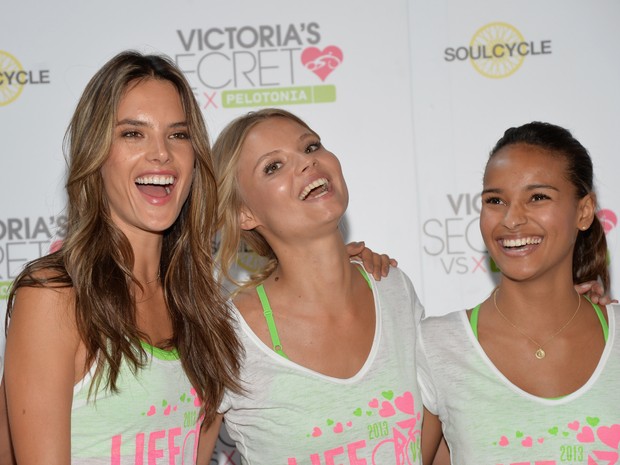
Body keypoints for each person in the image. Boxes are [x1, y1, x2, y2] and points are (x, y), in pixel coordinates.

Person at [2, 50, 245, 465]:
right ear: (95, 154)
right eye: (133, 133)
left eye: (178, 134)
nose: (162, 154)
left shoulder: (203, 310)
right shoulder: (55, 297)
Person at [199, 108, 425, 464]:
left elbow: (437, 441)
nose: (307, 164)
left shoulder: (392, 288)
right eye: (273, 166)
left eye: (311, 147)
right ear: (244, 214)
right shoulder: (228, 335)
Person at [418, 122, 619, 465]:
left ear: (583, 211)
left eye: (537, 197)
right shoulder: (435, 346)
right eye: (495, 200)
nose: (511, 219)